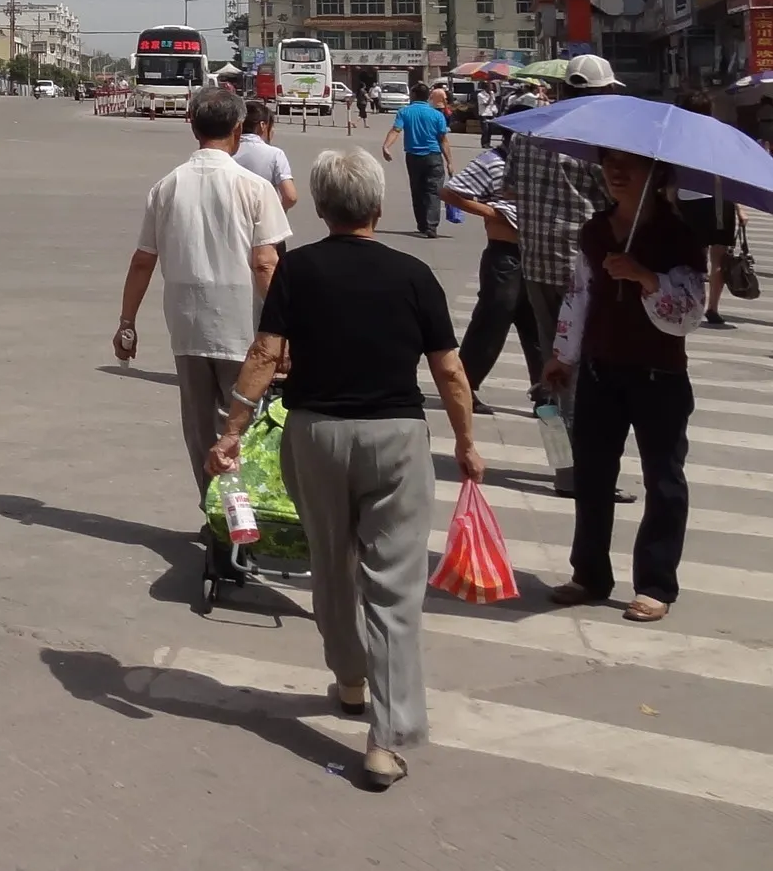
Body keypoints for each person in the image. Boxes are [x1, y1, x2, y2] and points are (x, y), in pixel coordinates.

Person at [208, 148, 483, 790]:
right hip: (397, 439)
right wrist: (467, 441)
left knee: (330, 565)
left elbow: (263, 353)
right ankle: (385, 740)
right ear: (378, 207)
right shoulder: (414, 275)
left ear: (323, 208)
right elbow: (448, 370)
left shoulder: (297, 273)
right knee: (394, 586)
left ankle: (350, 679)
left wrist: (231, 433)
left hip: (315, 435)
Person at [115, 86, 295, 584]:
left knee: (200, 435)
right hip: (246, 332)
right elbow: (266, 263)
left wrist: (127, 322)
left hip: (188, 327)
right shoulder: (254, 188)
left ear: (192, 125)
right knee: (241, 433)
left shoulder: (166, 185)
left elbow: (143, 260)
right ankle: (240, 527)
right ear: (239, 130)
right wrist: (286, 334)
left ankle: (217, 520)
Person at [545, 147, 704, 622]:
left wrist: (645, 278)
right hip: (599, 369)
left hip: (660, 375)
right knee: (592, 477)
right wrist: (561, 356)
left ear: (656, 172)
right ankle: (589, 573)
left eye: (628, 164)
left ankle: (656, 583)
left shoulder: (677, 236)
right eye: (608, 162)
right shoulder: (595, 229)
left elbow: (689, 314)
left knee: (665, 481)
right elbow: (580, 294)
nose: (615, 172)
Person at [505, 57, 616, 493]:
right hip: (582, 271)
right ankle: (589, 472)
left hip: (536, 264)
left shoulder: (526, 133)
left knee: (553, 372)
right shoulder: (596, 141)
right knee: (588, 372)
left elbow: (510, 187)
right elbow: (613, 200)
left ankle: (564, 470)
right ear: (603, 93)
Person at [442, 130, 537, 411]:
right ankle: (465, 387)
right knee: (492, 322)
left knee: (537, 327)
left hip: (535, 255)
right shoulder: (493, 161)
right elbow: (450, 192)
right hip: (504, 255)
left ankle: (546, 395)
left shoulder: (539, 162)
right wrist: (495, 213)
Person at [382, 82, 454, 237]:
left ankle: (422, 224)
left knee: (418, 191)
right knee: (433, 192)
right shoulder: (437, 115)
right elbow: (443, 140)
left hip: (413, 157)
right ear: (428, 96)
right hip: (434, 157)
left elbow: (396, 130)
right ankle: (431, 226)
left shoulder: (404, 112)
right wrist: (449, 162)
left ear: (413, 95)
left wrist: (386, 146)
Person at [232, 99, 298, 213]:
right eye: (271, 126)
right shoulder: (275, 154)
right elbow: (290, 196)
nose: (273, 131)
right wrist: (277, 214)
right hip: (264, 219)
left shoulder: (227, 152)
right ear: (262, 126)